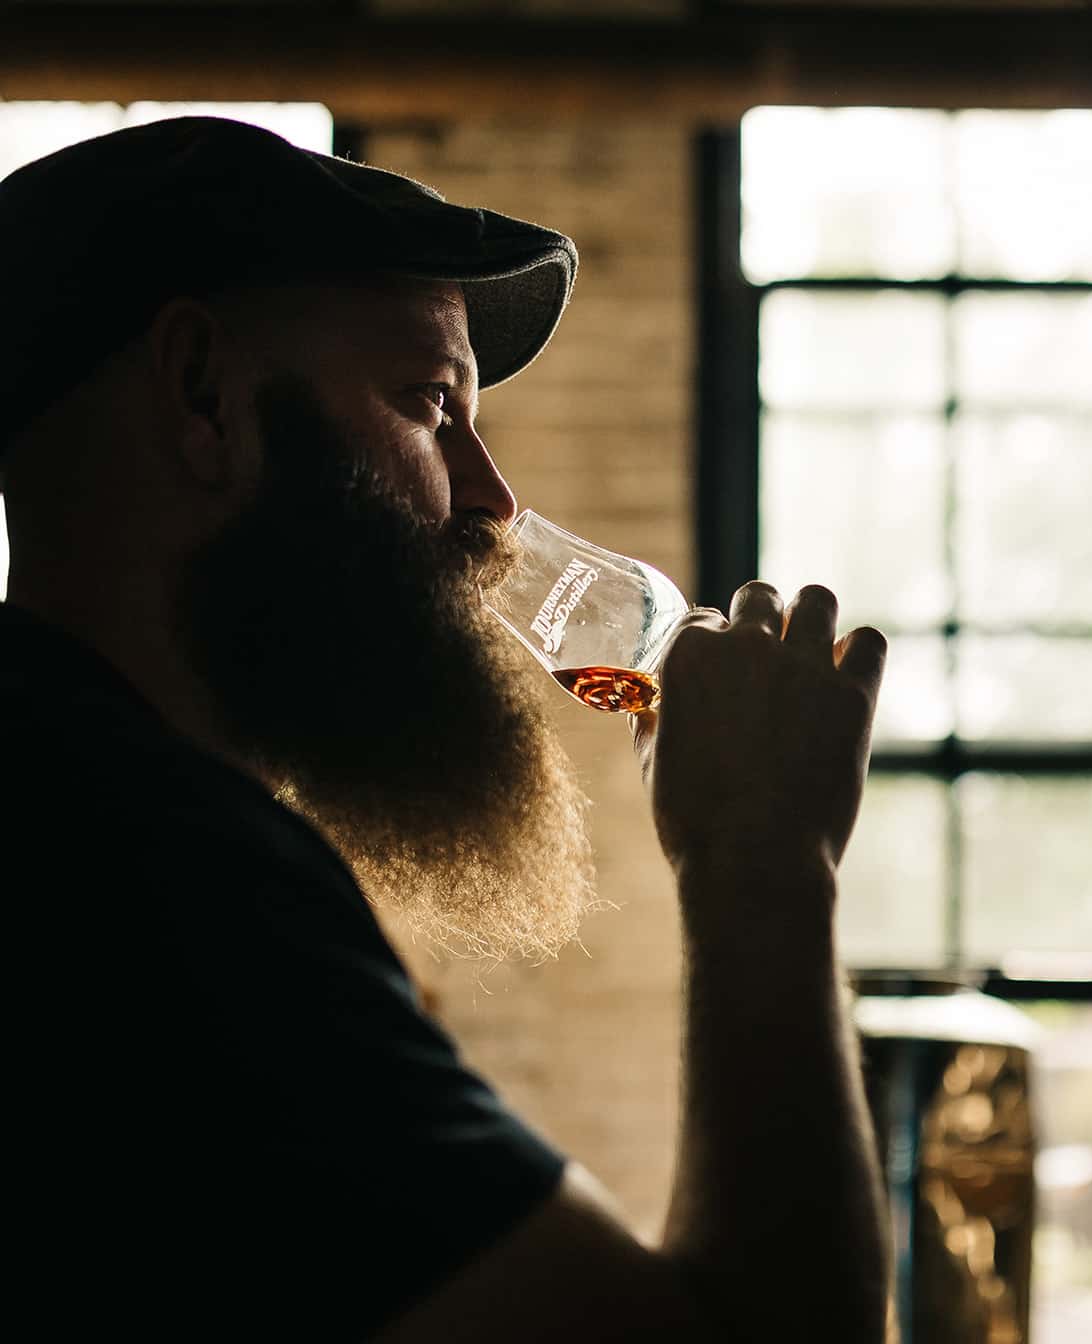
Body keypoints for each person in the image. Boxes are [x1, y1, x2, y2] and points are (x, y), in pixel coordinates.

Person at [1, 116, 889, 1340]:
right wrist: (764, 861)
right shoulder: (142, 871)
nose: (493, 500)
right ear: (204, 394)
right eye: (430, 406)